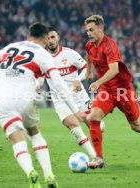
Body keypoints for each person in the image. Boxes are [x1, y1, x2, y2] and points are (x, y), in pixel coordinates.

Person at [0, 23, 85, 188]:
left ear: (28, 37)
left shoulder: (10, 47)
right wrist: (75, 110)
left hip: (3, 99)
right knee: (35, 134)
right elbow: (59, 85)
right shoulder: (43, 54)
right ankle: (49, 174)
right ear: (44, 39)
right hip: (25, 98)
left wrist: (0, 81)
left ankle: (30, 172)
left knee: (16, 138)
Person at [84, 15, 140, 169]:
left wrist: (97, 82)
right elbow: (89, 55)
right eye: (87, 30)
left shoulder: (109, 45)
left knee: (137, 126)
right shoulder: (89, 45)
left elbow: (114, 70)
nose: (89, 33)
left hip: (122, 91)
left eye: (92, 30)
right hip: (107, 91)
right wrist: (88, 71)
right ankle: (99, 158)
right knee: (93, 117)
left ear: (100, 29)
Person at [36, 27, 104, 160]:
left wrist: (78, 79)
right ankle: (96, 157)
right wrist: (37, 84)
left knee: (95, 125)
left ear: (58, 37)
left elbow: (86, 68)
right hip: (60, 99)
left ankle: (98, 129)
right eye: (48, 38)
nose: (50, 41)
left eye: (53, 37)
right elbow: (39, 75)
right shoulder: (42, 57)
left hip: (78, 96)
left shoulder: (70, 54)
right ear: (44, 40)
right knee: (73, 125)